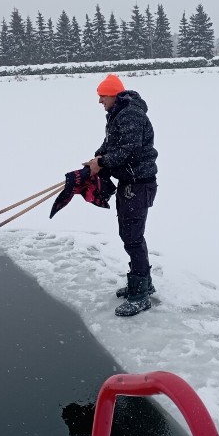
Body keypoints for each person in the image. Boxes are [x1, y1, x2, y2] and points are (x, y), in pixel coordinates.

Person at [84, 73, 158, 317]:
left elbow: (129, 151)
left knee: (132, 237)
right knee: (129, 235)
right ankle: (142, 284)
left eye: (101, 96)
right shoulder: (118, 114)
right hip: (130, 183)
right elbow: (110, 145)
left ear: (113, 94)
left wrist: (103, 162)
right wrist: (97, 159)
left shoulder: (131, 115)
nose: (99, 101)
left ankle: (140, 296)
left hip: (138, 184)